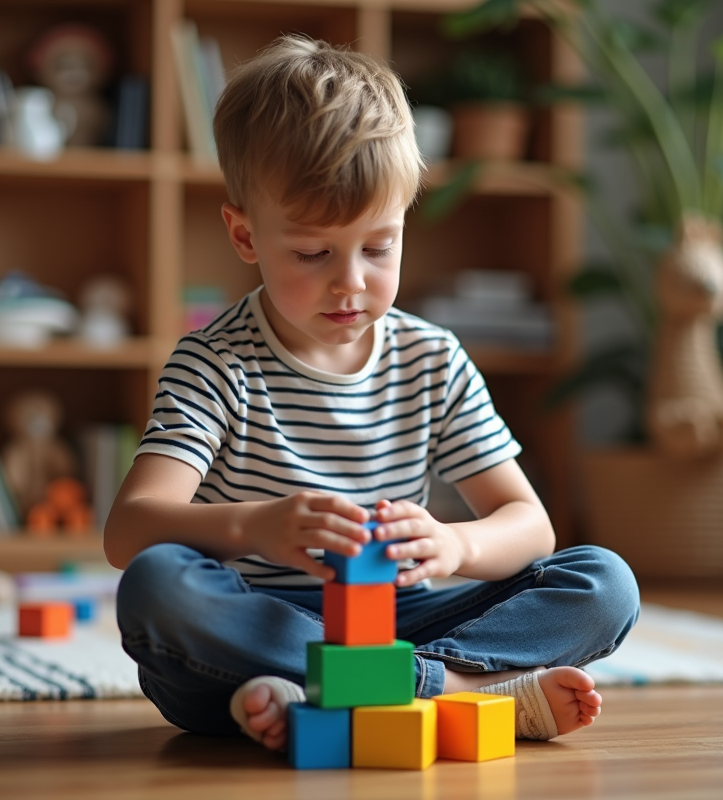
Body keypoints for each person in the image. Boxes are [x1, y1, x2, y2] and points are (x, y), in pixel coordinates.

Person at [107, 35, 640, 752]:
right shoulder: (216, 363)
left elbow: (528, 524)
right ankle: (456, 694)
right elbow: (129, 529)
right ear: (244, 235)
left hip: (401, 618)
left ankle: (362, 692)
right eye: (312, 252)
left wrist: (454, 544)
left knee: (605, 582)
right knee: (158, 587)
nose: (351, 281)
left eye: (378, 246)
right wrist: (255, 529)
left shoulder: (430, 358)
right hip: (264, 626)